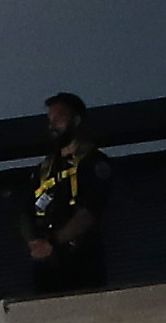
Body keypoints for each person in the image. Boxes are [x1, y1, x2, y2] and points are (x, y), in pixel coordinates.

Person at [27, 92, 108, 296]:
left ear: (76, 120)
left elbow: (90, 211)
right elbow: (26, 212)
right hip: (48, 270)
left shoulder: (93, 162)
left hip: (83, 265)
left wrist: (54, 241)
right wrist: (35, 241)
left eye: (59, 117)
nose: (52, 125)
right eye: (50, 119)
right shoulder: (43, 169)